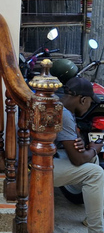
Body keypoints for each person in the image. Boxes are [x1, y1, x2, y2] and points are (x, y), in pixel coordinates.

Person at [53, 76, 104, 232]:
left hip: (36, 162)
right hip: (31, 170)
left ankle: (92, 218)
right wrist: (95, 148)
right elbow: (77, 159)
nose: (90, 105)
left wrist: (86, 148)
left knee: (93, 159)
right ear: (82, 100)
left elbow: (76, 146)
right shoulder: (64, 114)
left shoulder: (60, 105)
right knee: (96, 173)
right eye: (89, 101)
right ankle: (97, 230)